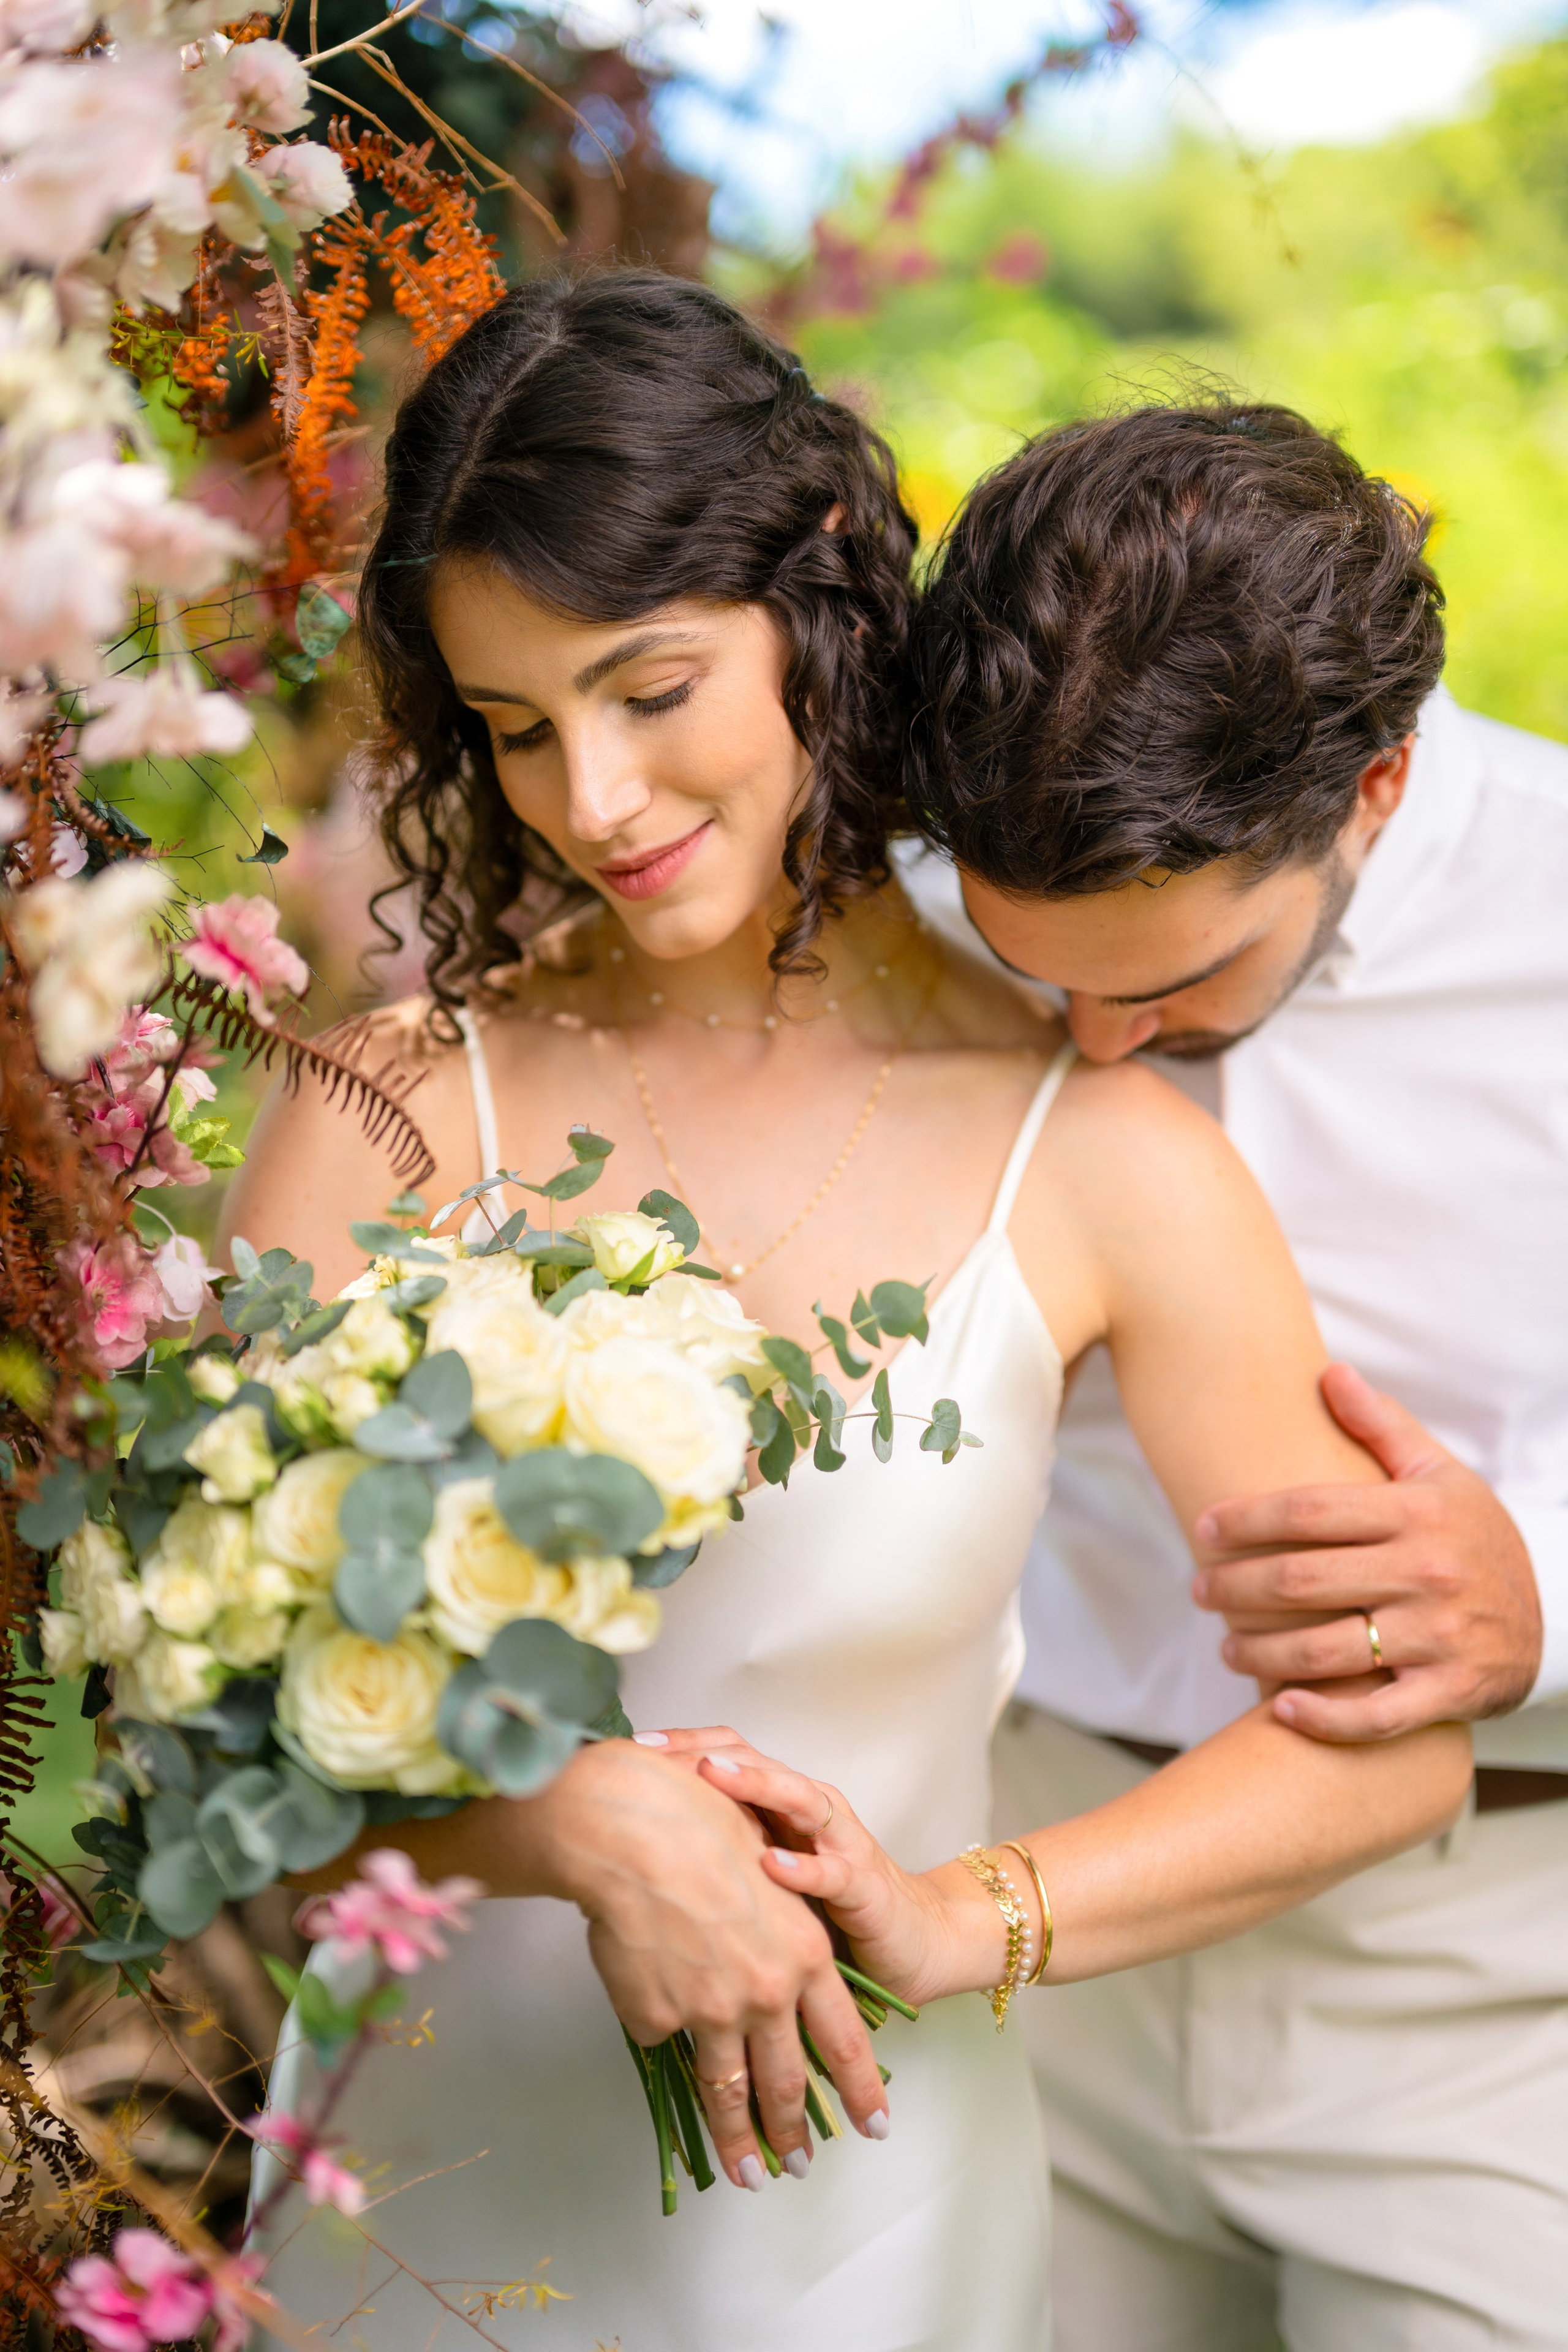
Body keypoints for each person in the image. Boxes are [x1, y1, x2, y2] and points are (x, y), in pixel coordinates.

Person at [232, 283, 1468, 2352]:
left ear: (817, 595)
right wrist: (577, 1821)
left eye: (651, 690)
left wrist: (966, 1915)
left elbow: (1382, 1746)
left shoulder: (1101, 1152)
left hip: (863, 2224)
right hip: (413, 2199)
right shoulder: (383, 1111)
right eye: (516, 728)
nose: (594, 799)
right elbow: (198, 1705)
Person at [877, 399, 1567, 2350]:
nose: (1097, 1048)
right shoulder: (902, 918)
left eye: (1175, 981)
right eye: (1047, 977)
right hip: (1022, 1904)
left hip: (1494, 1978)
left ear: (1375, 782)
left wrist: (1546, 1594)